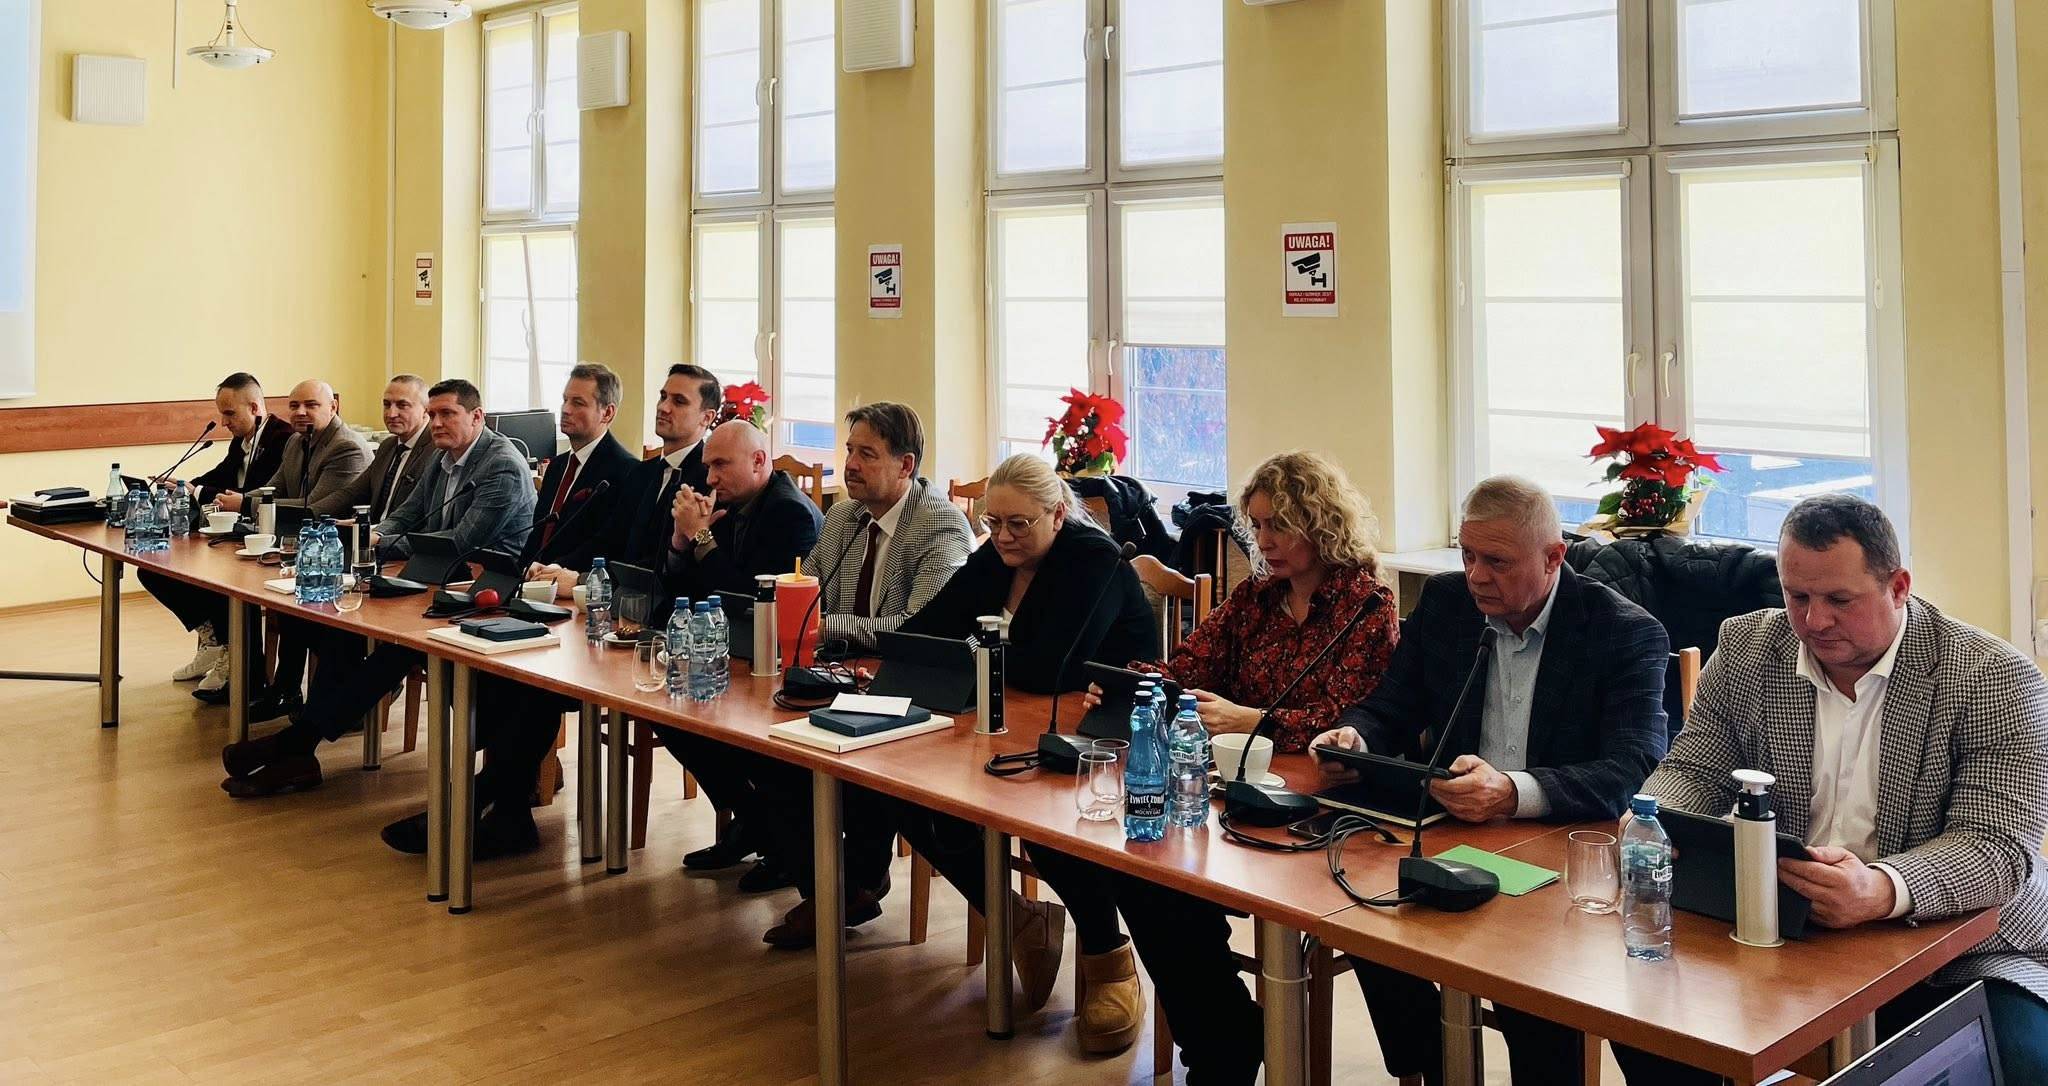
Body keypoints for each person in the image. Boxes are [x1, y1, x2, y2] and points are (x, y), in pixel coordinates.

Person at [1612, 494, 2048, 1085]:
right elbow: (1692, 770)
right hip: (1783, 927)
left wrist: (1879, 887)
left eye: (1840, 600)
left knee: (2017, 1063)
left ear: (1898, 587)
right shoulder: (1746, 649)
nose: (1814, 622)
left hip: (1961, 945)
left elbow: (1996, 848)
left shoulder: (1992, 676)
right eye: (1797, 597)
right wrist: (1656, 819)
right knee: (1646, 1021)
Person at [1311, 474, 1671, 1086]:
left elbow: (1633, 768)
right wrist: (1356, 738)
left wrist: (1512, 792)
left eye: (1497, 562)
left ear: (1553, 557)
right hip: (1453, 833)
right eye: (1467, 554)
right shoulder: (1448, 603)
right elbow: (1392, 705)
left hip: (1561, 852)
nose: (1477, 575)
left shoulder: (1622, 630)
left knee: (1530, 987)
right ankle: (1432, 1069)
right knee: (1366, 920)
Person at [1072, 450, 1403, 1081]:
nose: (1264, 540)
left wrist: (1255, 720)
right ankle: (1224, 1032)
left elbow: (1354, 722)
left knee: (1172, 884)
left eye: (1280, 525)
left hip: (1322, 809)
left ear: (1320, 523)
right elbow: (1186, 666)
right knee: (1142, 873)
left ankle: (1222, 1042)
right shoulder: (1255, 597)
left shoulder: (1367, 606)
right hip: (1234, 795)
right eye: (1257, 525)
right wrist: (1128, 683)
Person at [866, 454, 1158, 1042]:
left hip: (1105, 733)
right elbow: (929, 628)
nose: (1001, 536)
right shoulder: (998, 554)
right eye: (993, 522)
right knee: (905, 791)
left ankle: (1108, 958)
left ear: (1057, 515)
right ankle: (1017, 917)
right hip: (1011, 717)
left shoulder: (1093, 560)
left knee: (1043, 825)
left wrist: (971, 649)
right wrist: (958, 648)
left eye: (1018, 524)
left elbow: (1053, 668)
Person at [217, 379, 535, 801]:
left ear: (477, 417)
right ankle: (301, 749)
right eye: (434, 414)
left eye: (447, 414)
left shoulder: (500, 465)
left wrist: (381, 540)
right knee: (342, 629)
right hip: (434, 580)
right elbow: (408, 515)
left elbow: (462, 541)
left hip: (486, 596)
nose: (437, 423)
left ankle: (299, 743)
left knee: (397, 647)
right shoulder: (443, 458)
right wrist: (373, 535)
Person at [747, 403, 976, 947]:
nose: (850, 464)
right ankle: (838, 888)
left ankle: (843, 889)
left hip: (915, 698)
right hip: (844, 681)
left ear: (906, 465)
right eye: (849, 450)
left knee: (830, 768)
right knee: (764, 752)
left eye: (867, 454)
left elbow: (917, 630)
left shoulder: (940, 524)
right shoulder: (845, 518)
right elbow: (809, 593)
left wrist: (828, 626)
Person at [648, 420, 823, 885]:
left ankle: (778, 840)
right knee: (668, 709)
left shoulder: (789, 513)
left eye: (721, 465)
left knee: (726, 727)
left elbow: (751, 602)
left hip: (781, 663)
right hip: (735, 655)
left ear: (759, 461)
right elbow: (684, 594)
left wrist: (703, 540)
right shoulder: (731, 505)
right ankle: (756, 822)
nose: (710, 478)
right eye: (707, 466)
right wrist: (682, 541)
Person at [248, 376, 431, 723]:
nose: (391, 413)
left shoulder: (434, 451)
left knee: (322, 610)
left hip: (399, 555)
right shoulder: (389, 447)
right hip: (367, 546)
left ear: (425, 410)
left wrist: (368, 534)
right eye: (387, 404)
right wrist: (322, 520)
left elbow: (419, 522)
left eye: (402, 405)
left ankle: (354, 691)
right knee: (301, 596)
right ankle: (296, 691)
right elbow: (351, 494)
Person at [189, 379, 371, 708]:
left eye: (311, 405)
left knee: (287, 600)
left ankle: (286, 689)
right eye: (294, 405)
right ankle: (273, 687)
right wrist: (238, 499)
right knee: (252, 586)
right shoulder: (297, 442)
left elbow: (316, 507)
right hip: (300, 547)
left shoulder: (346, 447)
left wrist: (244, 503)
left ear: (333, 407)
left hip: (339, 552)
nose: (300, 412)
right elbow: (273, 489)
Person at [151, 372, 294, 696]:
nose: (224, 422)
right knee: (155, 569)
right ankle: (214, 640)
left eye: (229, 413)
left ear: (254, 407)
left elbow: (253, 491)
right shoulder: (242, 440)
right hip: (235, 532)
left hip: (266, 536)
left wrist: (198, 490)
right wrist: (183, 484)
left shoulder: (282, 438)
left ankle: (238, 664)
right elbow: (222, 475)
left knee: (219, 576)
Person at [530, 364, 721, 596]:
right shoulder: (643, 471)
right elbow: (611, 541)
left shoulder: (710, 479)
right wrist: (556, 569)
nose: (663, 407)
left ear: (706, 418)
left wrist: (584, 580)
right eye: (663, 397)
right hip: (621, 599)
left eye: (679, 401)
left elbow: (665, 563)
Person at [523, 363, 639, 571]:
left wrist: (554, 568)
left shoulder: (626, 470)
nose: (566, 410)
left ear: (607, 413)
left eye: (578, 403)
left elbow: (607, 544)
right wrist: (520, 570)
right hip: (534, 578)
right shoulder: (557, 466)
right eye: (565, 400)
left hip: (576, 581)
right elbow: (538, 532)